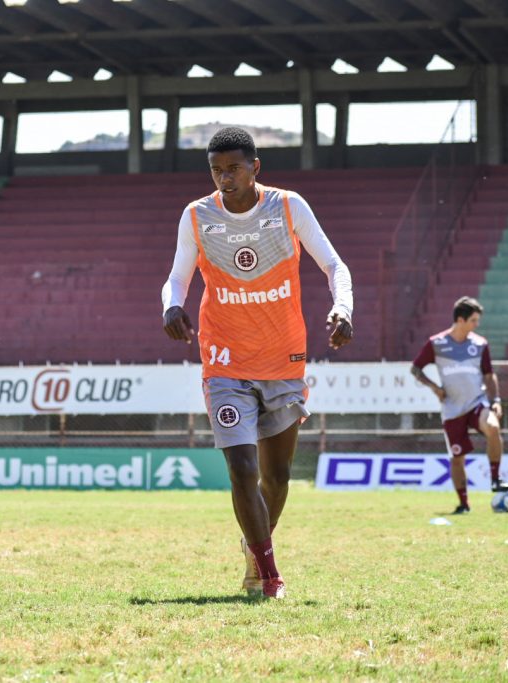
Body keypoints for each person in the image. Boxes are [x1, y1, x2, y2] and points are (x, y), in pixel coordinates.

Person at [162, 127, 354, 599]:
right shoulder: (197, 215)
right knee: (243, 469)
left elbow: (334, 265)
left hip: (284, 358)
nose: (224, 178)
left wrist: (343, 307)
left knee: (278, 475)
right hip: (224, 359)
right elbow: (177, 277)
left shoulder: (288, 207)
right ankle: (268, 574)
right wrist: (170, 306)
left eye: (233, 168)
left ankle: (253, 546)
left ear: (255, 168)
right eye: (216, 170)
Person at [411, 296, 508, 514]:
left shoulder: (480, 344)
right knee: (457, 458)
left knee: (493, 427)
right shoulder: (436, 343)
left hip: (477, 402)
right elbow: (416, 369)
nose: (477, 325)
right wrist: (434, 387)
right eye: (474, 320)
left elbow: (489, 375)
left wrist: (495, 401)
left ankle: (495, 478)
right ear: (460, 319)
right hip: (452, 409)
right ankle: (464, 504)